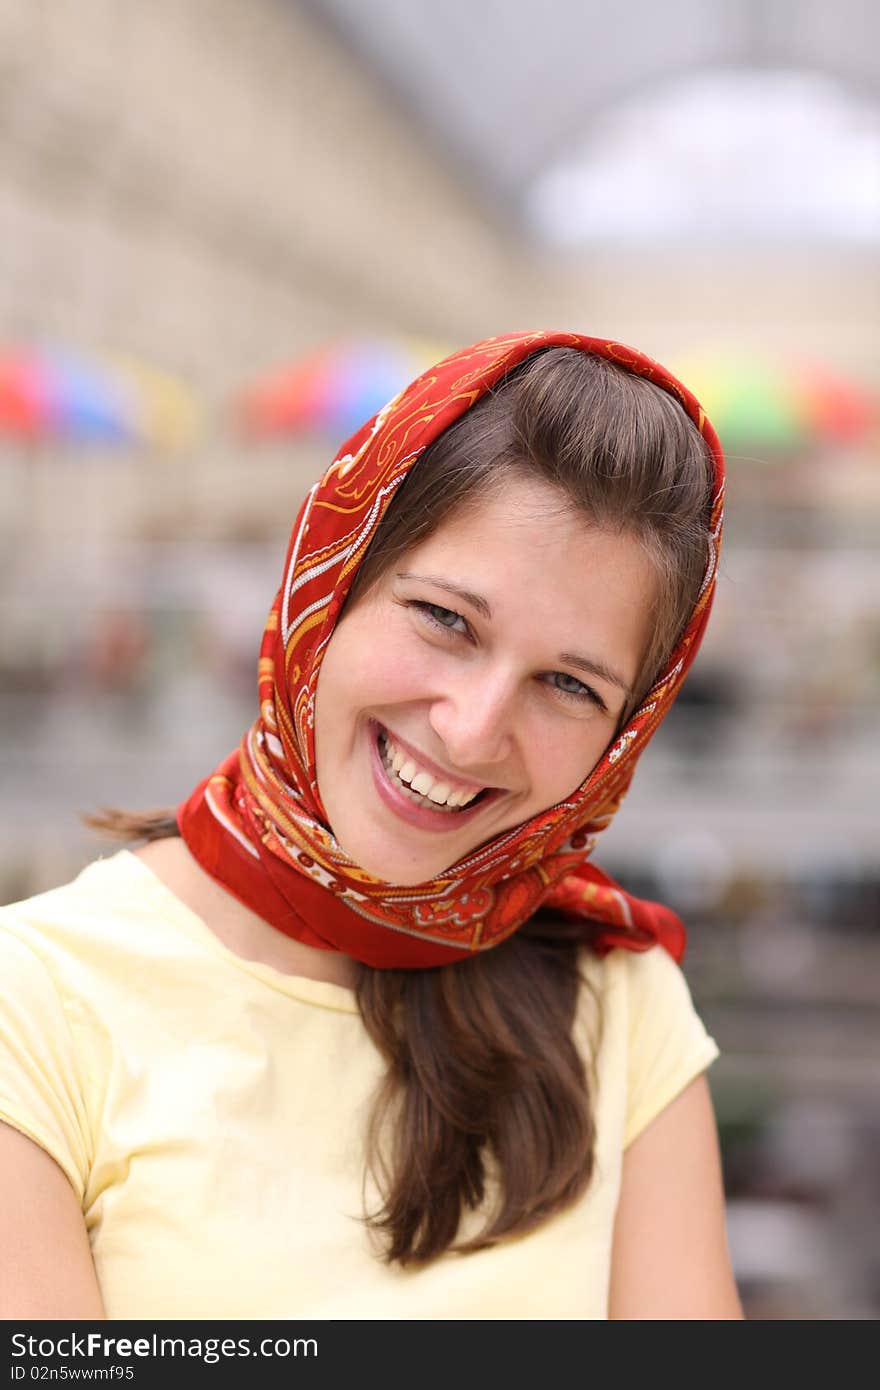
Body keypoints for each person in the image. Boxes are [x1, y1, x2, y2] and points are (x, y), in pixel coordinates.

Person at [0, 331, 742, 1320]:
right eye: (444, 619)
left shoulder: (622, 1002)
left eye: (567, 683)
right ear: (328, 588)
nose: (472, 731)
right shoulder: (37, 1004)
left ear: (624, 734)